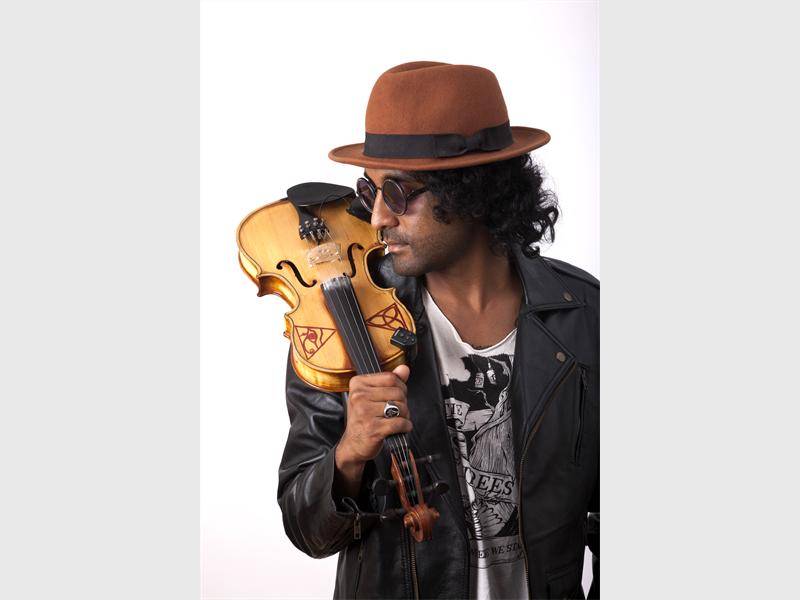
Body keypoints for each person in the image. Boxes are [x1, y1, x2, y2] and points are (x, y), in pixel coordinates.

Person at [276, 61, 599, 599]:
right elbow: (305, 528)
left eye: (399, 193)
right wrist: (350, 453)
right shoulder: (340, 320)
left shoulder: (586, 314)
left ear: (473, 192)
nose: (377, 218)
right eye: (370, 191)